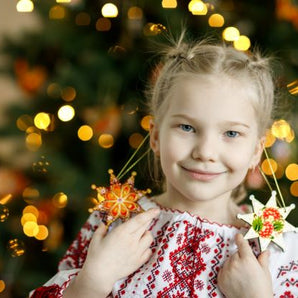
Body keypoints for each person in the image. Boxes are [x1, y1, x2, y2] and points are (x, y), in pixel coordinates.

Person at [30, 33, 298, 298]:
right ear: (156, 136)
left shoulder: (276, 249)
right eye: (187, 127)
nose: (205, 152)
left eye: (231, 133)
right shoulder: (114, 223)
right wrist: (93, 280)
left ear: (255, 150)